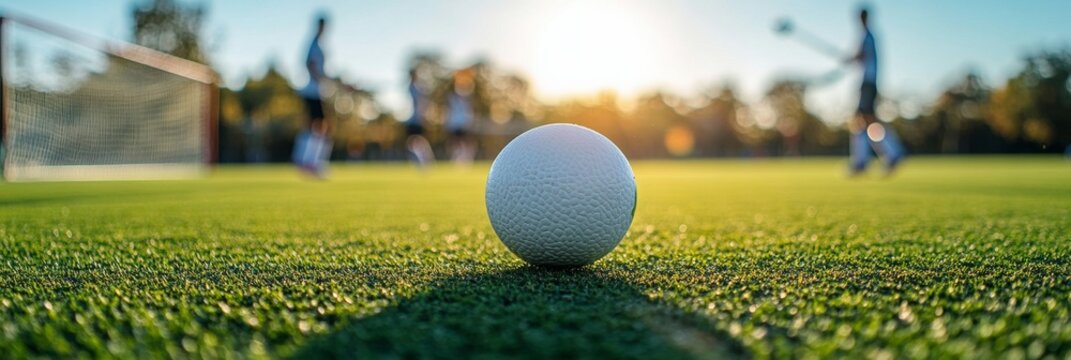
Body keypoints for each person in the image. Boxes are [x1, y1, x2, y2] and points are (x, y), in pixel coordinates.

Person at [845, 7, 904, 176]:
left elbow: (861, 56)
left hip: (868, 83)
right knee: (862, 121)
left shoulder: (867, 37)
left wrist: (851, 58)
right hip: (868, 82)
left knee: (867, 120)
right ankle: (863, 161)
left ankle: (891, 154)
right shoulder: (868, 36)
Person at [293, 14, 333, 178]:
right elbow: (309, 64)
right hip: (312, 90)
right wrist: (320, 78)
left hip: (318, 91)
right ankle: (309, 162)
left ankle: (308, 162)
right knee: (319, 126)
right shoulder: (314, 44)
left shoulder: (318, 44)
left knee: (318, 127)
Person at [446, 69, 477, 164]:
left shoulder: (466, 95)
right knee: (456, 142)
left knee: (466, 141)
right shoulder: (452, 96)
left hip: (463, 122)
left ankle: (466, 158)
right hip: (455, 123)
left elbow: (469, 109)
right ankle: (458, 158)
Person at [405, 68, 434, 168]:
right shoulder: (412, 87)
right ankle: (423, 159)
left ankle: (425, 159)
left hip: (418, 118)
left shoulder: (417, 88)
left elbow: (423, 102)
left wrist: (425, 116)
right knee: (412, 141)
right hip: (413, 118)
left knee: (417, 140)